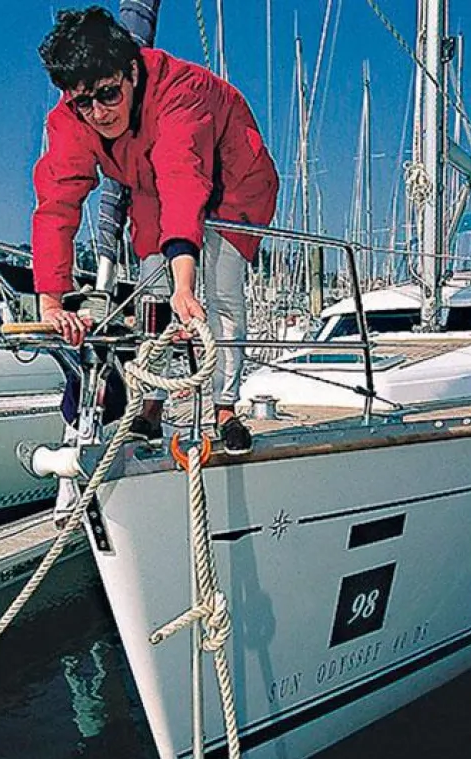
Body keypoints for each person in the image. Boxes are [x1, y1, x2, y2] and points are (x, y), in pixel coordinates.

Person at [32, 5, 278, 455]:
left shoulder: (181, 90)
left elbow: (183, 177)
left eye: (108, 94)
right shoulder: (70, 119)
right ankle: (150, 407)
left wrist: (185, 287)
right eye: (84, 102)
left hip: (235, 179)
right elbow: (56, 206)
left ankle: (225, 408)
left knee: (221, 288)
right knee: (151, 293)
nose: (98, 113)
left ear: (130, 71)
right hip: (149, 183)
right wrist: (50, 303)